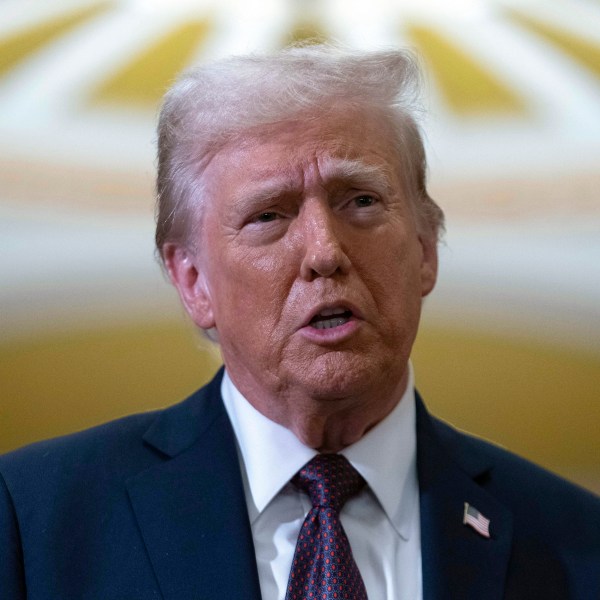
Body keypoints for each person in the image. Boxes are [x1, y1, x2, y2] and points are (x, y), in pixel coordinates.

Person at [1, 45, 599, 600]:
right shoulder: (36, 521)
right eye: (268, 215)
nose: (324, 251)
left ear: (425, 248)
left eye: (360, 201)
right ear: (192, 281)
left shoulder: (578, 542)